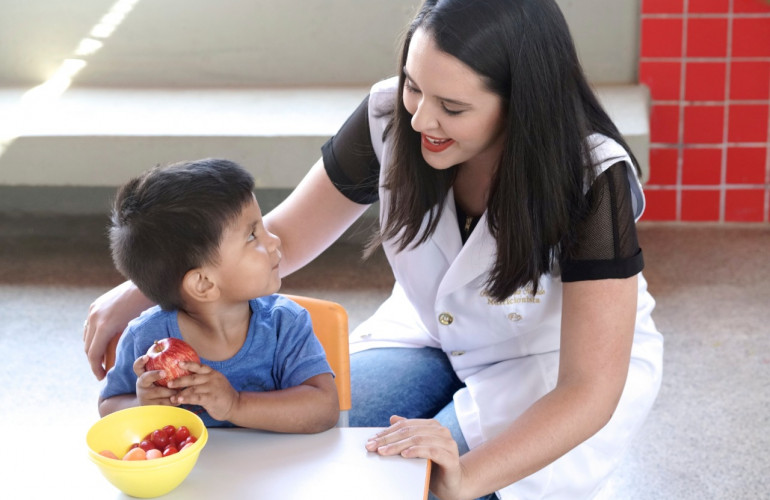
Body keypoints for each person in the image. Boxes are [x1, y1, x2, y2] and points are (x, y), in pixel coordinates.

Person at [84, 0, 663, 498]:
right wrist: (144, 287)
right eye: (415, 85)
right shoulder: (391, 115)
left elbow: (589, 389)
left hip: (544, 369)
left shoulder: (591, 178)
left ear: (521, 103)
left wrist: (464, 477)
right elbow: (282, 239)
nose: (422, 118)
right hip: (425, 333)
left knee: (416, 487)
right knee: (302, 452)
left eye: (453, 108)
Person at [98, 158, 339, 433]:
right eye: (252, 235)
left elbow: (325, 409)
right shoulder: (145, 337)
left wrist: (235, 405)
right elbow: (108, 406)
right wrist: (142, 406)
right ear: (203, 284)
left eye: (262, 226)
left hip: (276, 472)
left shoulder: (285, 324)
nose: (274, 241)